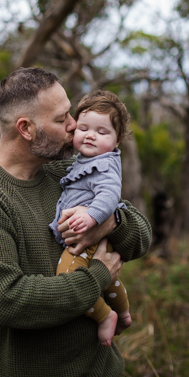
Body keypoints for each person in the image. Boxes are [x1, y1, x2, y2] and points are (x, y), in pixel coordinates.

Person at [0, 67, 151, 377]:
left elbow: (141, 238)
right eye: (61, 119)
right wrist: (100, 275)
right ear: (26, 128)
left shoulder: (65, 170)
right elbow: (8, 302)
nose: (74, 125)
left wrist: (108, 222)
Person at [49, 90, 132, 348]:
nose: (90, 135)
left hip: (87, 237)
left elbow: (109, 196)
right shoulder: (84, 161)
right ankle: (125, 312)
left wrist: (92, 218)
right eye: (83, 128)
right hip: (89, 234)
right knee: (110, 280)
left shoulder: (104, 165)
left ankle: (106, 316)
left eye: (102, 131)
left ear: (117, 140)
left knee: (67, 275)